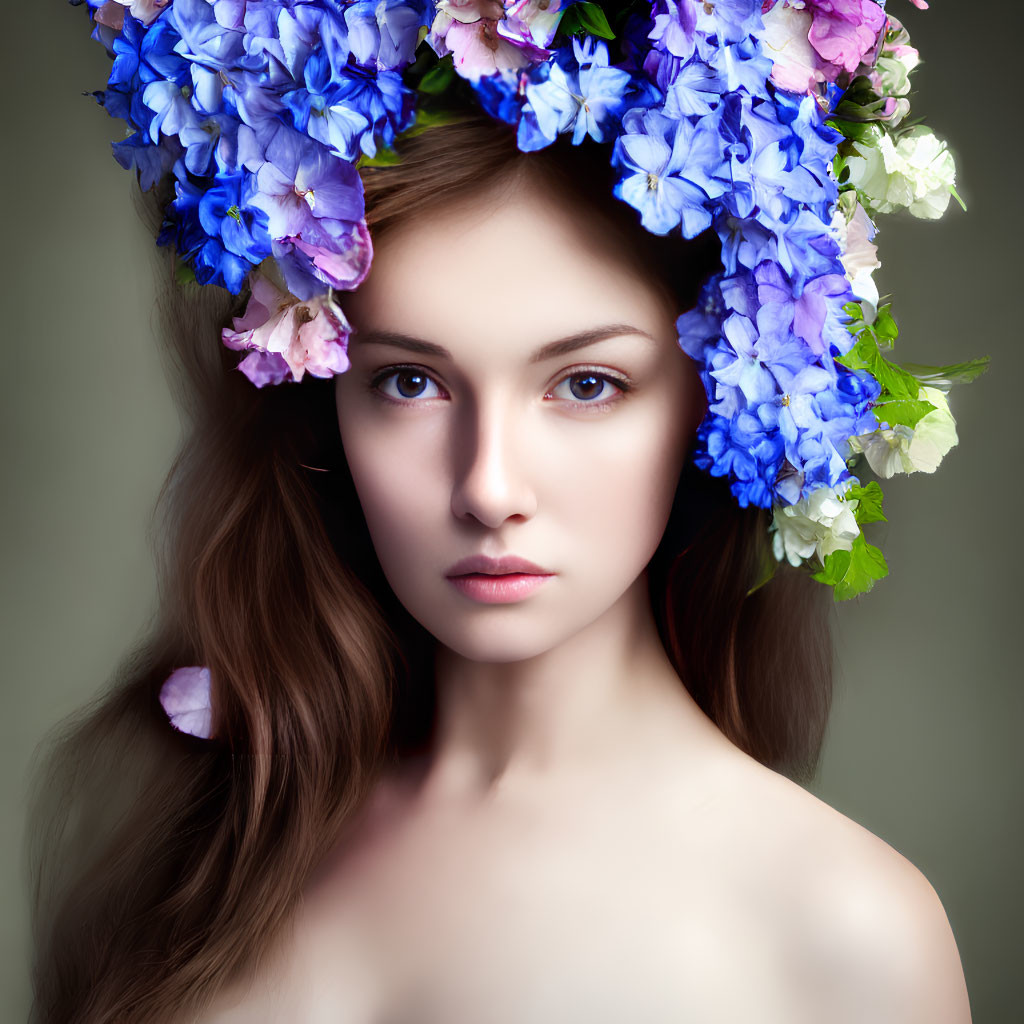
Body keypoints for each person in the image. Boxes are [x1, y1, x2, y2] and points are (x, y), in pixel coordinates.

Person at [27, 3, 975, 1023]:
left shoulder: (842, 931)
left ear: (717, 395)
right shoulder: (196, 825)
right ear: (323, 397)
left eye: (584, 385)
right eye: (408, 385)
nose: (487, 488)